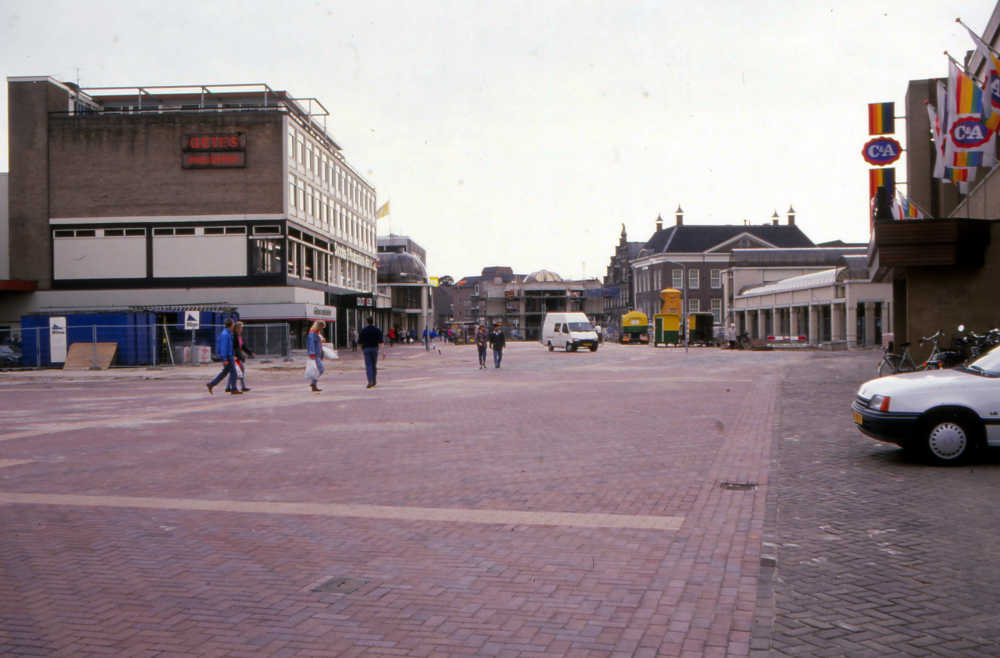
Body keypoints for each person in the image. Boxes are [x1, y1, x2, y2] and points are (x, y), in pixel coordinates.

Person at [207, 318, 240, 395]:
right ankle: (234, 388)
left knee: (224, 372)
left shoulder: (226, 333)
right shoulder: (225, 334)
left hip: (229, 356)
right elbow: (224, 347)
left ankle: (212, 384)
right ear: (231, 325)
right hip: (228, 357)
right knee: (234, 373)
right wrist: (225, 358)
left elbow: (226, 346)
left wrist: (232, 354)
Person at [226, 321, 253, 392]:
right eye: (240, 328)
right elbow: (232, 347)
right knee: (240, 369)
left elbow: (243, 346)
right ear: (237, 328)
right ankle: (242, 386)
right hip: (235, 356)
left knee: (234, 371)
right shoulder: (234, 337)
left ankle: (228, 386)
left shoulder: (239, 337)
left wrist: (250, 352)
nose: (241, 329)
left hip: (238, 355)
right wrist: (233, 355)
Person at [358, 315, 384, 388]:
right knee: (374, 365)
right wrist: (383, 351)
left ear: (367, 322)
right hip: (374, 348)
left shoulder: (363, 330)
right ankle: (374, 380)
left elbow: (359, 342)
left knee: (368, 365)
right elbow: (381, 342)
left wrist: (362, 348)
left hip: (366, 349)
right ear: (373, 321)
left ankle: (370, 381)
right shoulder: (377, 330)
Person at [306, 320, 326, 392]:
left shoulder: (316, 334)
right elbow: (311, 345)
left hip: (317, 354)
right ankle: (313, 383)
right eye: (321, 327)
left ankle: (314, 384)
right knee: (321, 369)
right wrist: (312, 355)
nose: (321, 329)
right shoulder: (312, 334)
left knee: (317, 369)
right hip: (315, 355)